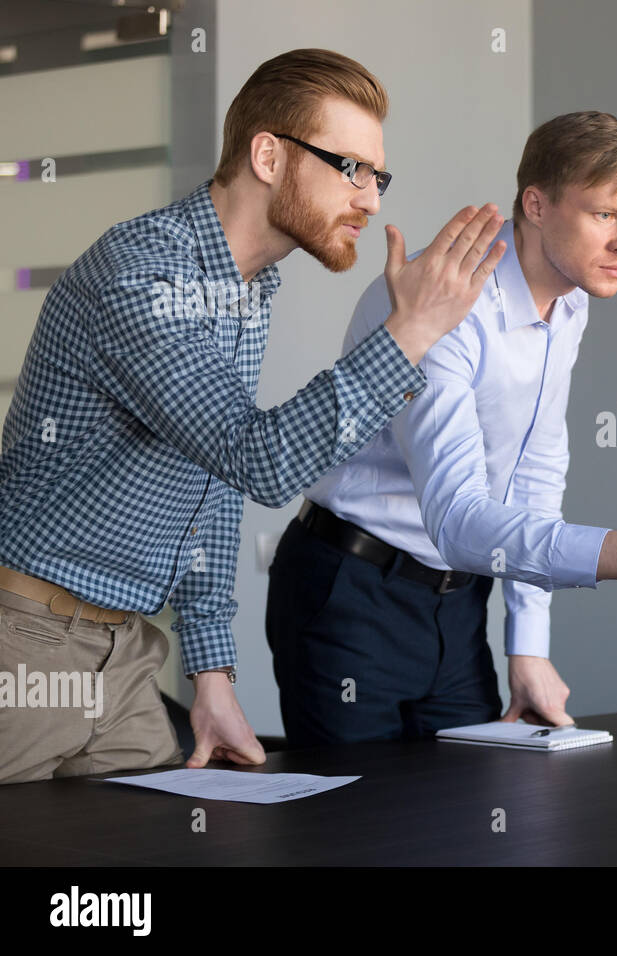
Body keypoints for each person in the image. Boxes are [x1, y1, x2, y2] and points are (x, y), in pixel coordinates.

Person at [0, 48, 506, 784]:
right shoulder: (144, 272)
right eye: (350, 168)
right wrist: (411, 332)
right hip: (25, 642)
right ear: (269, 154)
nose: (371, 198)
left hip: (128, 656)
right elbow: (260, 460)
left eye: (378, 175)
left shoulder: (249, 286)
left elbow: (214, 487)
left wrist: (211, 674)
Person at [266, 111, 617, 746]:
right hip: (351, 590)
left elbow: (536, 466)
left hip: (457, 601)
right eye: (605, 215)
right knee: (359, 833)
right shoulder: (442, 302)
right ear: (536, 205)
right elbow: (457, 518)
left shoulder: (571, 300)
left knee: (467, 819)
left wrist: (528, 644)